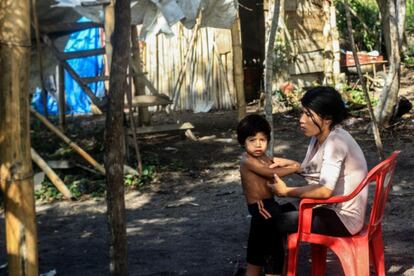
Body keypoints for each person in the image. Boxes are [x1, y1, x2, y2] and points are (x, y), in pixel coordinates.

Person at [269, 85, 368, 241]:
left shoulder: (335, 142)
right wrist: (294, 166)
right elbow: (319, 172)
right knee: (273, 212)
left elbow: (324, 191)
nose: (301, 120)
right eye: (302, 112)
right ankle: (271, 265)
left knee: (271, 222)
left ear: (327, 119)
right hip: (332, 211)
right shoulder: (320, 136)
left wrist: (286, 191)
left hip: (343, 220)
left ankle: (272, 265)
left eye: (308, 114)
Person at [236, 114, 301, 276]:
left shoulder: (264, 157)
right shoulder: (247, 161)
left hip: (269, 204)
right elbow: (269, 173)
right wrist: (295, 168)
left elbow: (276, 161)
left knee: (256, 244)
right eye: (252, 140)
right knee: (273, 244)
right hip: (260, 207)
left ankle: (251, 272)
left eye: (262, 140)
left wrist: (291, 162)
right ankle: (274, 271)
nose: (258, 145)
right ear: (243, 142)